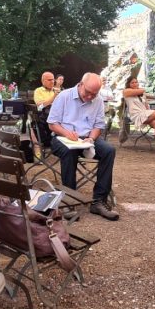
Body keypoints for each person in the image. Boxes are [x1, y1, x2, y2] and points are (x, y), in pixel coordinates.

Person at [47, 73, 119, 220]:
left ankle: (99, 201)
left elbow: (98, 126)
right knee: (69, 152)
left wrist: (91, 139)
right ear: (80, 84)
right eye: (88, 92)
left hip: (86, 138)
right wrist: (67, 134)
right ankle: (68, 201)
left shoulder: (97, 100)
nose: (90, 97)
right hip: (62, 137)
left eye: (94, 94)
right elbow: (52, 124)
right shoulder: (64, 96)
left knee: (109, 151)